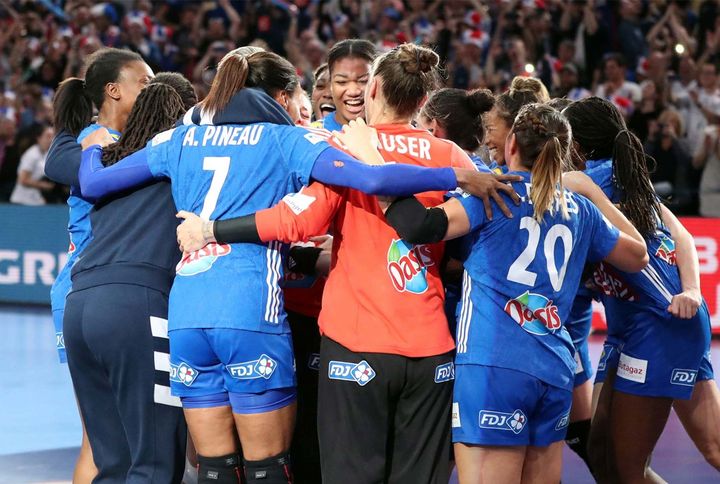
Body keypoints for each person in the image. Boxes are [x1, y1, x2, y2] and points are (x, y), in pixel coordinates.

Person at [77, 48, 510, 484]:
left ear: (374, 87)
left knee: (214, 467)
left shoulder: (180, 139)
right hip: (277, 317)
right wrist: (456, 175)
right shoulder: (301, 142)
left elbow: (93, 183)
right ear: (283, 97)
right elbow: (384, 188)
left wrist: (91, 147)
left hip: (196, 313)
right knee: (271, 467)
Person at [377, 102, 649, 484]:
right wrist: (591, 194)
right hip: (554, 368)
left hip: (493, 365)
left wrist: (380, 184)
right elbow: (638, 255)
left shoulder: (495, 194)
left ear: (512, 146)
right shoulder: (582, 211)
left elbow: (421, 227)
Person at [563, 96, 720, 482]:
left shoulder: (589, 182)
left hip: (659, 324)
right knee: (601, 452)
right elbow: (681, 233)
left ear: (576, 146)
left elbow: (533, 189)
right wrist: (692, 290)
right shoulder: (624, 175)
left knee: (625, 469)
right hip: (636, 325)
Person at [44, 46, 154, 484]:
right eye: (144, 82)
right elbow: (61, 162)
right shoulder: (95, 142)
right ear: (113, 90)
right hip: (89, 289)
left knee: (112, 437)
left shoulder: (110, 140)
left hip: (96, 292)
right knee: (100, 438)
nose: (152, 89)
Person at [483, 76, 548, 170]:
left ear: (516, 131)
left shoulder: (500, 178)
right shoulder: (493, 169)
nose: (486, 140)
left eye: (490, 129)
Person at [313, 39, 376, 131]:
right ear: (331, 85)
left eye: (363, 81)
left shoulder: (395, 135)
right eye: (342, 82)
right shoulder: (310, 134)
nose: (353, 92)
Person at [10, 125, 54, 205]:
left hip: (36, 200)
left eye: (53, 137)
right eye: (48, 136)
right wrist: (44, 185)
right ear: (39, 138)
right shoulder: (31, 154)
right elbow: (22, 180)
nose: (51, 140)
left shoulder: (47, 154)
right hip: (21, 202)